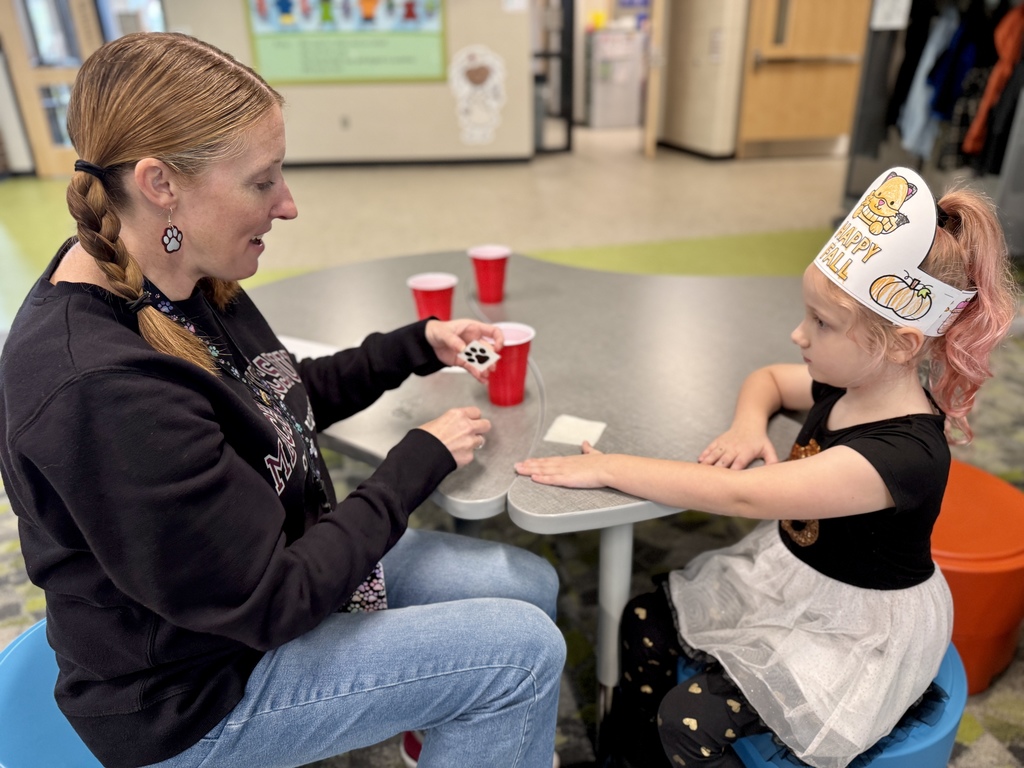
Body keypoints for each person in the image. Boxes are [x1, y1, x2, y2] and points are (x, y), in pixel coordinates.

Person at [0, 32, 565, 768]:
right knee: (519, 655)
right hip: (201, 695)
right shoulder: (99, 387)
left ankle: (453, 731)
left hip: (269, 585)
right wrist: (417, 461)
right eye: (263, 182)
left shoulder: (176, 278)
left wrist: (416, 343)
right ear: (160, 183)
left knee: (529, 581)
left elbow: (276, 400)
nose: (288, 205)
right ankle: (471, 712)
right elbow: (275, 601)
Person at [515, 167, 1019, 768]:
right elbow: (769, 381)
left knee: (689, 721)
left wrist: (614, 469)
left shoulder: (902, 456)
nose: (797, 334)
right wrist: (748, 424)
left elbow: (745, 496)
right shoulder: (851, 381)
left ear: (903, 344)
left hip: (853, 632)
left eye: (821, 324)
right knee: (643, 621)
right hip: (795, 577)